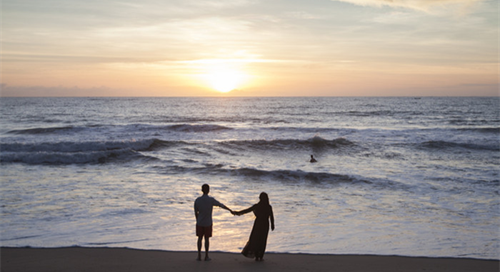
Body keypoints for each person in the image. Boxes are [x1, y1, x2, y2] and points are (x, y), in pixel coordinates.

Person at [194, 184, 233, 261]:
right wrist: (230, 210)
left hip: (200, 222)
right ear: (208, 190)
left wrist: (197, 220)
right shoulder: (211, 200)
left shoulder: (197, 200)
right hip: (208, 222)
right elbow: (221, 205)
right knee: (207, 239)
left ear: (202, 190)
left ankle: (199, 256)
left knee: (199, 239)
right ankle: (206, 256)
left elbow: (196, 212)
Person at [233, 192, 275, 261]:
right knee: (262, 240)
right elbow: (271, 216)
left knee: (255, 239)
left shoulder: (257, 206)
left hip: (258, 224)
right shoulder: (268, 206)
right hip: (265, 224)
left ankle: (256, 255)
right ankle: (260, 256)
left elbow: (246, 211)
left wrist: (237, 213)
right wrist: (272, 225)